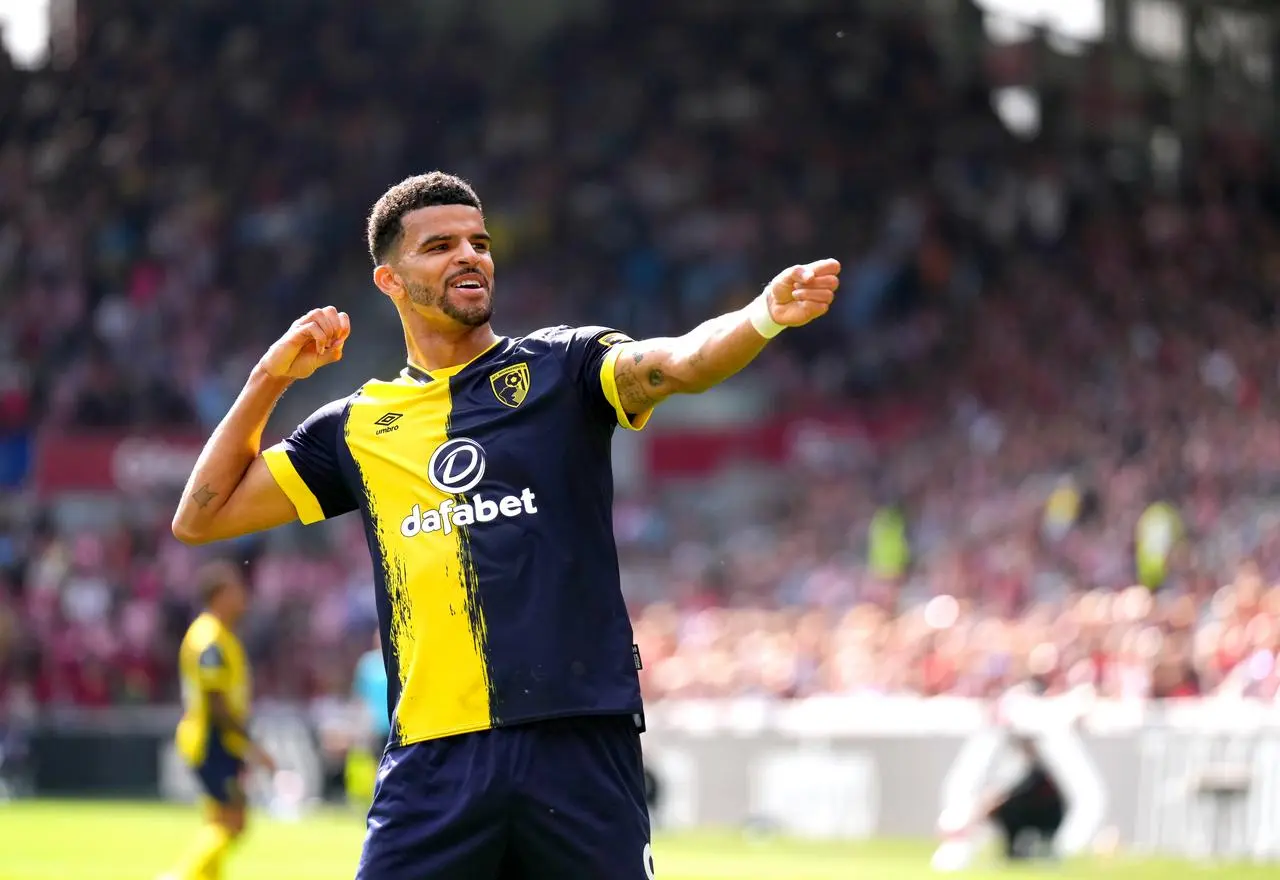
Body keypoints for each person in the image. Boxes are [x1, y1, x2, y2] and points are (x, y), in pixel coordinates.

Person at [170, 170, 841, 879]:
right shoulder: (358, 427)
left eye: (479, 241)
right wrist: (270, 378)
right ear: (390, 281)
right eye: (439, 246)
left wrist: (763, 314)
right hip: (432, 759)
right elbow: (201, 514)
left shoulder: (565, 367)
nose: (470, 255)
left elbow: (682, 363)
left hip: (575, 742)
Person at [162, 560, 276, 880]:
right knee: (231, 821)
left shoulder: (219, 635)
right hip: (213, 740)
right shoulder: (209, 639)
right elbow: (216, 703)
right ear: (220, 595)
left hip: (219, 740)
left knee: (222, 821)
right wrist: (252, 746)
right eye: (237, 592)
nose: (243, 600)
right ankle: (182, 875)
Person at [980, 736, 1067, 861]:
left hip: (1046, 815)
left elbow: (1023, 791)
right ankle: (1014, 851)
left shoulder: (1041, 770)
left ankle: (1016, 851)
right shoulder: (1025, 769)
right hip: (1036, 813)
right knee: (1006, 812)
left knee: (1007, 812)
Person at [346, 630, 390, 806]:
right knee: (374, 763)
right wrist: (359, 722)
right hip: (374, 725)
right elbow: (360, 696)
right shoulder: (368, 664)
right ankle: (376, 798)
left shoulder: (395, 659)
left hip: (392, 723)